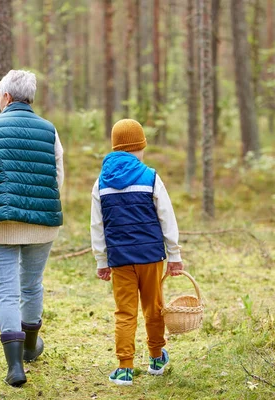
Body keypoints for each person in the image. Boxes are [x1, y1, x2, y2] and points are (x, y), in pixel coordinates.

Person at [0, 70, 64, 387]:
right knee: (32, 285)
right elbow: (57, 178)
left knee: (6, 290)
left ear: (6, 96)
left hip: (0, 224)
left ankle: (14, 367)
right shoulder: (50, 130)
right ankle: (32, 347)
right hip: (42, 223)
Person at [90, 119, 184, 386]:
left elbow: (97, 226)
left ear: (115, 148)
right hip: (151, 257)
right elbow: (167, 218)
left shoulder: (101, 183)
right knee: (154, 308)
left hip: (120, 260)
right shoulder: (151, 177)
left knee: (125, 312)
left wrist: (101, 260)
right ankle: (156, 357)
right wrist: (174, 255)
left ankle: (124, 367)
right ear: (139, 148)